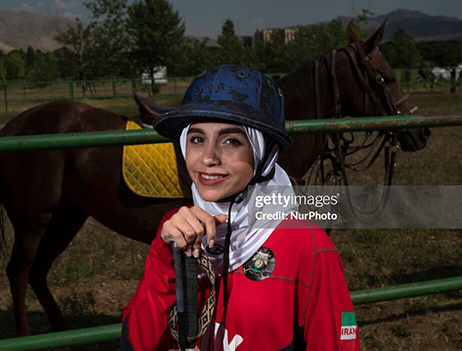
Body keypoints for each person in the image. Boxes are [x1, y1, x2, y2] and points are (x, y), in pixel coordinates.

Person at [121, 65, 360, 351]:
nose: (208, 158)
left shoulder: (308, 247)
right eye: (197, 139)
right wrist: (165, 258)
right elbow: (135, 343)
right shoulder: (175, 227)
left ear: (263, 153)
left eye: (231, 141)